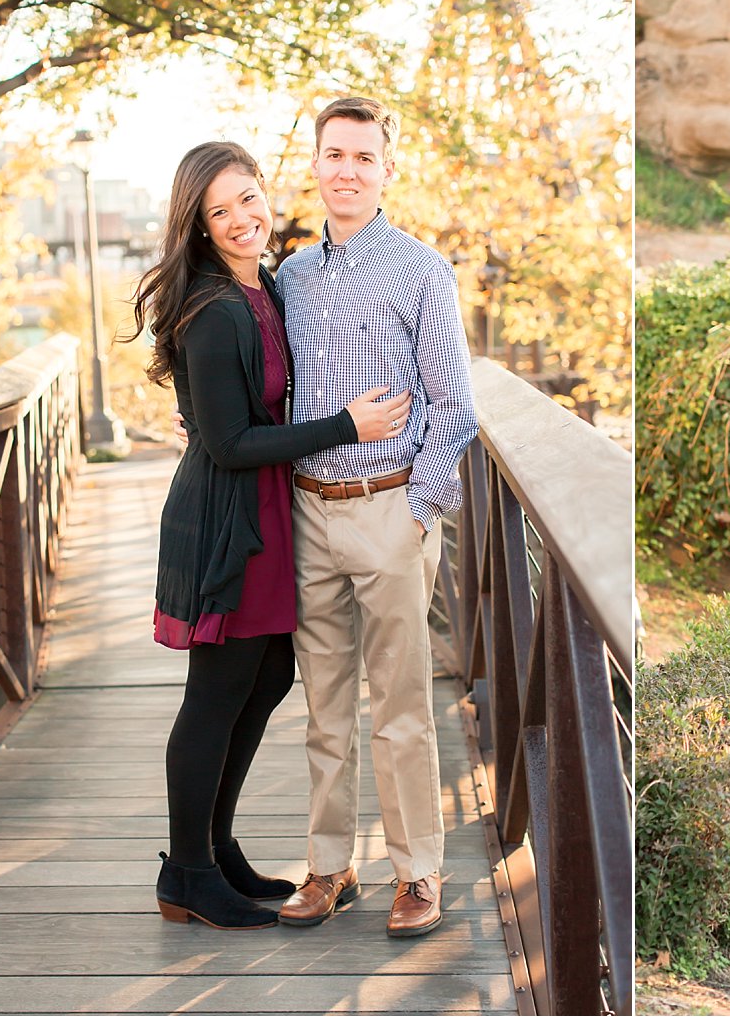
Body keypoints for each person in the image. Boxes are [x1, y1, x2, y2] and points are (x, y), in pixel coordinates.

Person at [129, 142, 412, 930]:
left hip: (265, 514)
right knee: (215, 695)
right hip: (227, 519)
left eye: (248, 198)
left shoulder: (268, 288)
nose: (242, 218)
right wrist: (346, 426)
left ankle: (215, 850)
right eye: (220, 211)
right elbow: (228, 443)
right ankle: (186, 872)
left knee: (267, 677)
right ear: (201, 226)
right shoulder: (218, 309)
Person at [272, 97, 478, 935]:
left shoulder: (421, 270)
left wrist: (419, 511)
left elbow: (454, 406)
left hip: (390, 505)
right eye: (333, 155)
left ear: (387, 170)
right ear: (315, 166)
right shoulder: (288, 276)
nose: (347, 170)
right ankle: (328, 866)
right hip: (308, 511)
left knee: (399, 704)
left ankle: (418, 871)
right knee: (324, 704)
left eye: (363, 157)